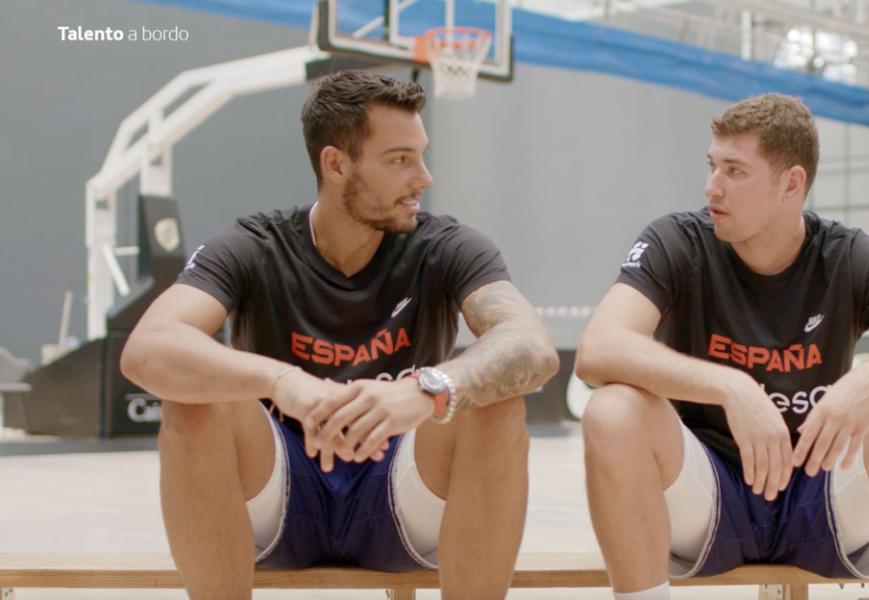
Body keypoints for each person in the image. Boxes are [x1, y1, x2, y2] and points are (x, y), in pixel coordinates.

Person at [120, 70, 558, 600]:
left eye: (421, 155)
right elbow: (147, 349)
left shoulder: (448, 244)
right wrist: (281, 380)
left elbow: (532, 346)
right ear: (336, 163)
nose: (423, 177)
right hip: (279, 496)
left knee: (494, 403)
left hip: (402, 495)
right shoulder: (256, 245)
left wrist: (426, 388)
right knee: (193, 402)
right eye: (399, 160)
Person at [574, 93, 869, 600]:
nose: (713, 186)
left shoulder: (847, 256)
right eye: (712, 166)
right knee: (612, 410)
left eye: (735, 171)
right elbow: (598, 350)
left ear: (791, 183)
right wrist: (731, 386)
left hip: (820, 495)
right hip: (710, 496)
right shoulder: (679, 241)